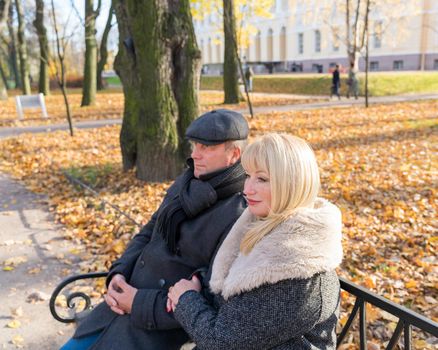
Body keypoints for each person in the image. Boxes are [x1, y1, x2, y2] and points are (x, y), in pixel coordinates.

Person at [60, 109, 249, 350]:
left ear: (234, 154)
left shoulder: (238, 212)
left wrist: (137, 303)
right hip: (118, 303)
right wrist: (118, 273)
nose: (194, 155)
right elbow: (151, 230)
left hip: (156, 325)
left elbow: (210, 295)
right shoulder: (188, 180)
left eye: (206, 148)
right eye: (194, 145)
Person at [168, 133, 343, 350]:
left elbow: (222, 342)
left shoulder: (298, 272)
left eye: (261, 179)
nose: (247, 189)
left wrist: (186, 299)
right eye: (247, 175)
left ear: (291, 183)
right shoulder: (262, 228)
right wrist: (195, 284)